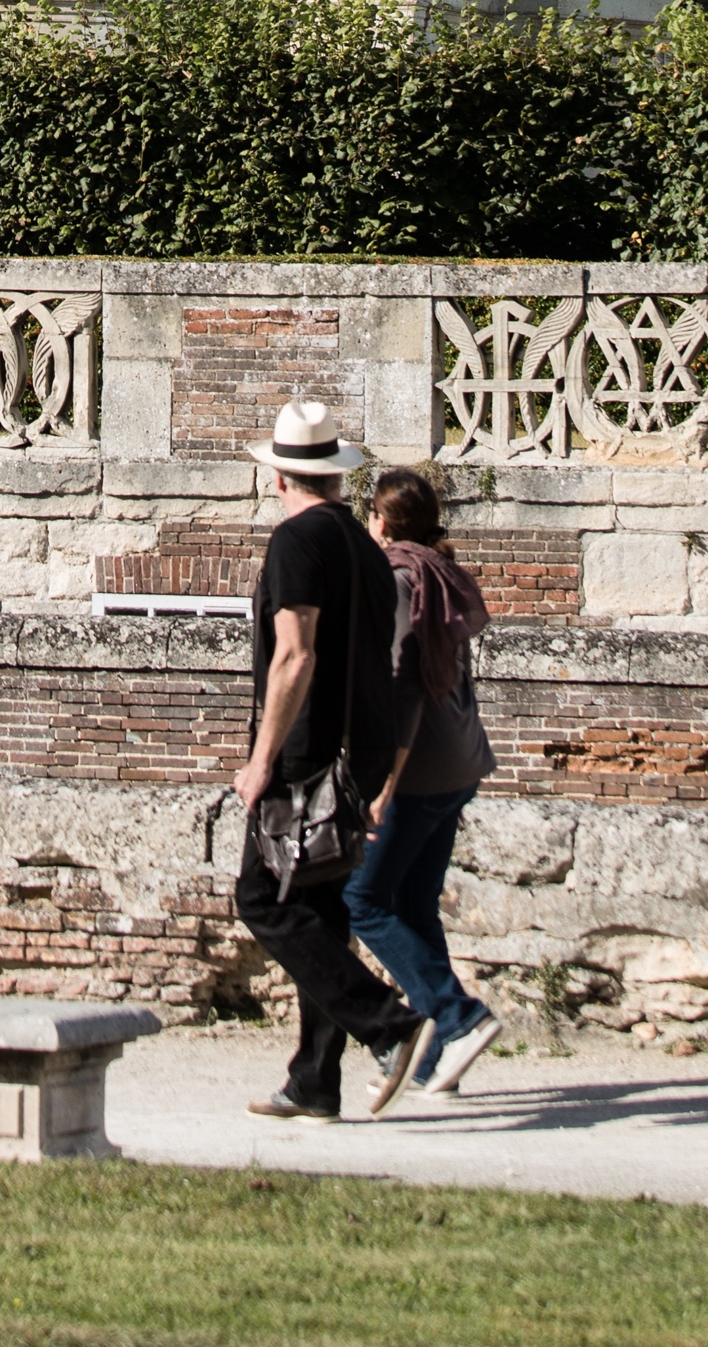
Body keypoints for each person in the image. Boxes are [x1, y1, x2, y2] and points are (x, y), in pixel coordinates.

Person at [233, 398, 422, 1123]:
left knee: (263, 899)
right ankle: (315, 1079)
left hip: (308, 754)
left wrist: (261, 760)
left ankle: (388, 1022)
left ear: (279, 477)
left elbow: (296, 656)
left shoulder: (297, 542)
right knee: (319, 907)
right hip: (361, 751)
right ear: (337, 475)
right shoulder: (366, 549)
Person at [344, 467, 501, 1105]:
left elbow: (402, 688)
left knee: (362, 900)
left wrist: (384, 781)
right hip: (461, 759)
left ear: (381, 521)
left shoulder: (398, 579)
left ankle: (458, 1018)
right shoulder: (442, 571)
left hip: (421, 770)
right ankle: (438, 1060)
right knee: (413, 906)